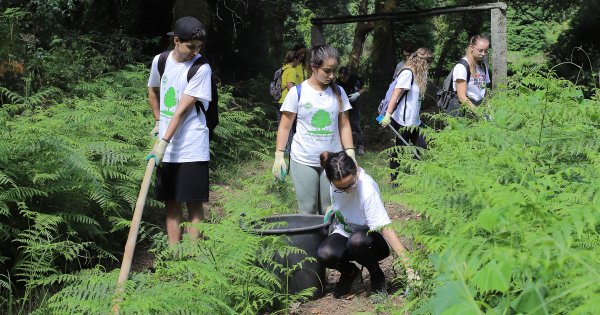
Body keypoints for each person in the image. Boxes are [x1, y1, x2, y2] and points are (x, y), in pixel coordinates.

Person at [146, 16, 212, 245]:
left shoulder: (201, 68)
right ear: (176, 40)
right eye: (191, 46)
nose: (196, 51)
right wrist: (157, 120)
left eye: (199, 47)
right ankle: (174, 253)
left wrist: (162, 142)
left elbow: (181, 112)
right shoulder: (161, 61)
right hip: (167, 144)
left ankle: (192, 254)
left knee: (193, 202)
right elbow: (153, 90)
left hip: (192, 145)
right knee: (171, 201)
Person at [316, 151, 417, 298]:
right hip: (346, 230)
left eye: (351, 184)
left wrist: (410, 268)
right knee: (325, 254)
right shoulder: (332, 173)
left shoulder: (367, 190)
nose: (347, 190)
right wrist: (333, 206)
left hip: (371, 240)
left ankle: (376, 274)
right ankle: (350, 272)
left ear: (356, 169)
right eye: (341, 188)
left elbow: (386, 229)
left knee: (356, 241)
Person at [272, 44, 355, 215]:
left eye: (334, 71)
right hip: (303, 159)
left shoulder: (339, 92)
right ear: (314, 67)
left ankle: (329, 241)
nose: (331, 75)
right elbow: (285, 126)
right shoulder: (297, 92)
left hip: (334, 161)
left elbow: (344, 124)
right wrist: (279, 155)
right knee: (308, 209)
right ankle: (309, 242)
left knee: (329, 209)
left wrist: (350, 151)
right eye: (327, 71)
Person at [379, 48, 433, 184]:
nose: (429, 65)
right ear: (421, 61)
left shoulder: (422, 73)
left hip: (415, 121)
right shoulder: (407, 73)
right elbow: (395, 96)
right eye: (428, 62)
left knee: (423, 146)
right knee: (397, 151)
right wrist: (387, 115)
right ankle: (394, 180)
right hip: (401, 121)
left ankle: (415, 178)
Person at [446, 34, 491, 117]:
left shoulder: (483, 66)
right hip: (462, 110)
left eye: (486, 51)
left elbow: (484, 90)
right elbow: (461, 96)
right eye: (480, 50)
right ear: (472, 47)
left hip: (478, 107)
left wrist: (488, 109)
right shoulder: (462, 66)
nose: (483, 54)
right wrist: (479, 114)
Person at [336, 66, 366, 155]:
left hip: (354, 105)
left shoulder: (355, 79)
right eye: (340, 77)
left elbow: (365, 87)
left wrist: (357, 94)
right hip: (342, 106)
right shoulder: (337, 82)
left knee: (356, 125)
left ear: (348, 75)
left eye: (344, 77)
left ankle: (360, 146)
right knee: (341, 125)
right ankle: (342, 147)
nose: (342, 79)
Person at [276, 51, 299, 153]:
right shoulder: (292, 71)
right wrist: (299, 97)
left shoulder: (282, 69)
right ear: (294, 60)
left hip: (279, 99)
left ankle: (281, 148)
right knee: (290, 126)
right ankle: (288, 149)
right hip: (287, 101)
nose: (299, 62)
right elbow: (290, 86)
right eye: (298, 60)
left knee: (281, 125)